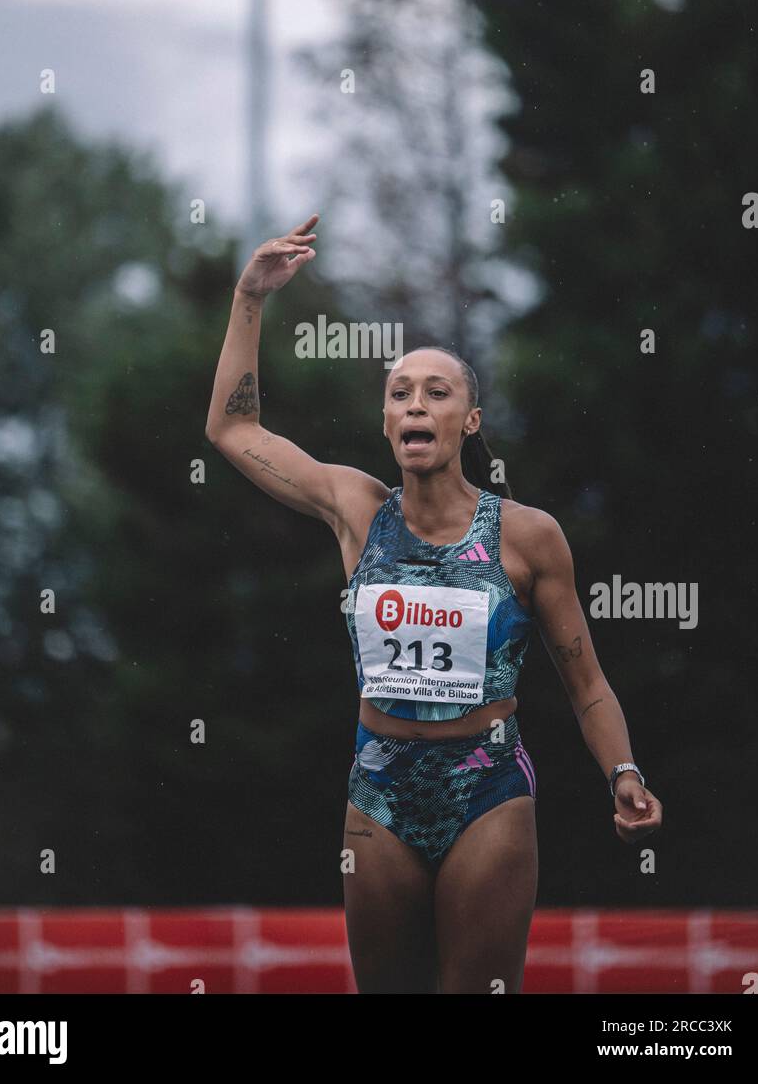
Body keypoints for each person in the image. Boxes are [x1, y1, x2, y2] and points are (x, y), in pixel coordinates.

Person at [205, 214, 663, 995]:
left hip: (486, 787)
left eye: (436, 391)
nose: (416, 403)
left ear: (468, 421)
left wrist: (622, 769)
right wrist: (250, 297)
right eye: (399, 393)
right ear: (387, 422)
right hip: (377, 789)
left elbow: (586, 682)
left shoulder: (527, 538)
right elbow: (231, 427)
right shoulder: (357, 510)